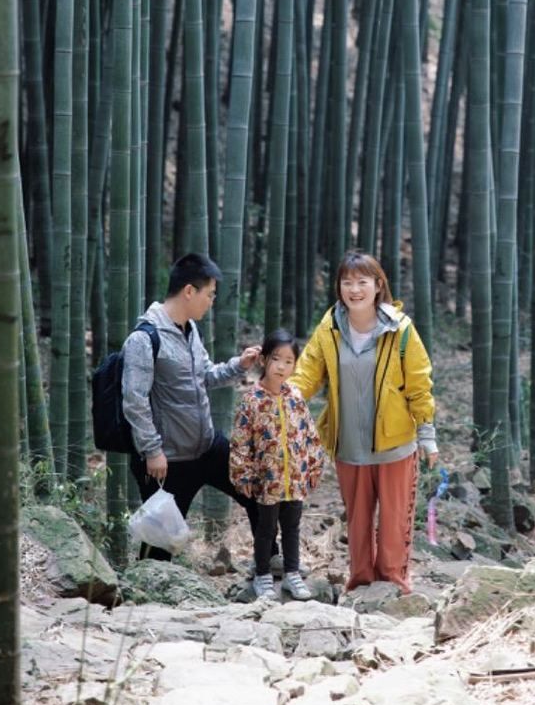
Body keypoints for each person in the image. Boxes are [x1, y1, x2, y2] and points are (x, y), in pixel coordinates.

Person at [291, 250, 437, 595]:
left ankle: (393, 586)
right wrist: (288, 396)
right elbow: (308, 371)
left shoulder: (400, 330)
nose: (354, 290)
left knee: (394, 519)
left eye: (362, 282)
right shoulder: (330, 327)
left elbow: (419, 384)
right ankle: (360, 583)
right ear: (339, 287)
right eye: (347, 282)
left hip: (395, 444)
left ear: (378, 285)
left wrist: (427, 434)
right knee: (357, 520)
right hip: (349, 444)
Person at [122, 251, 261, 561]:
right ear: (189, 291)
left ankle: (269, 566)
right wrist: (152, 450)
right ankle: (150, 588)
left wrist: (239, 365)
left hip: (207, 448)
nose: (212, 301)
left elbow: (205, 375)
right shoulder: (144, 338)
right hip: (168, 461)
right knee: (158, 550)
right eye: (209, 294)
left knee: (257, 490)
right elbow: (134, 400)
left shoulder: (190, 329)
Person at [228, 329, 325, 601]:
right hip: (267, 478)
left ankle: (292, 574)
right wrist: (242, 475)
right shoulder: (252, 400)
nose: (282, 367)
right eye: (276, 359)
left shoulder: (295, 396)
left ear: (295, 365)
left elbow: (309, 434)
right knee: (266, 529)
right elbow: (240, 441)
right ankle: (262, 575)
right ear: (263, 360)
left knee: (292, 527)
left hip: (295, 476)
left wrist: (314, 466)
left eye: (288, 361)